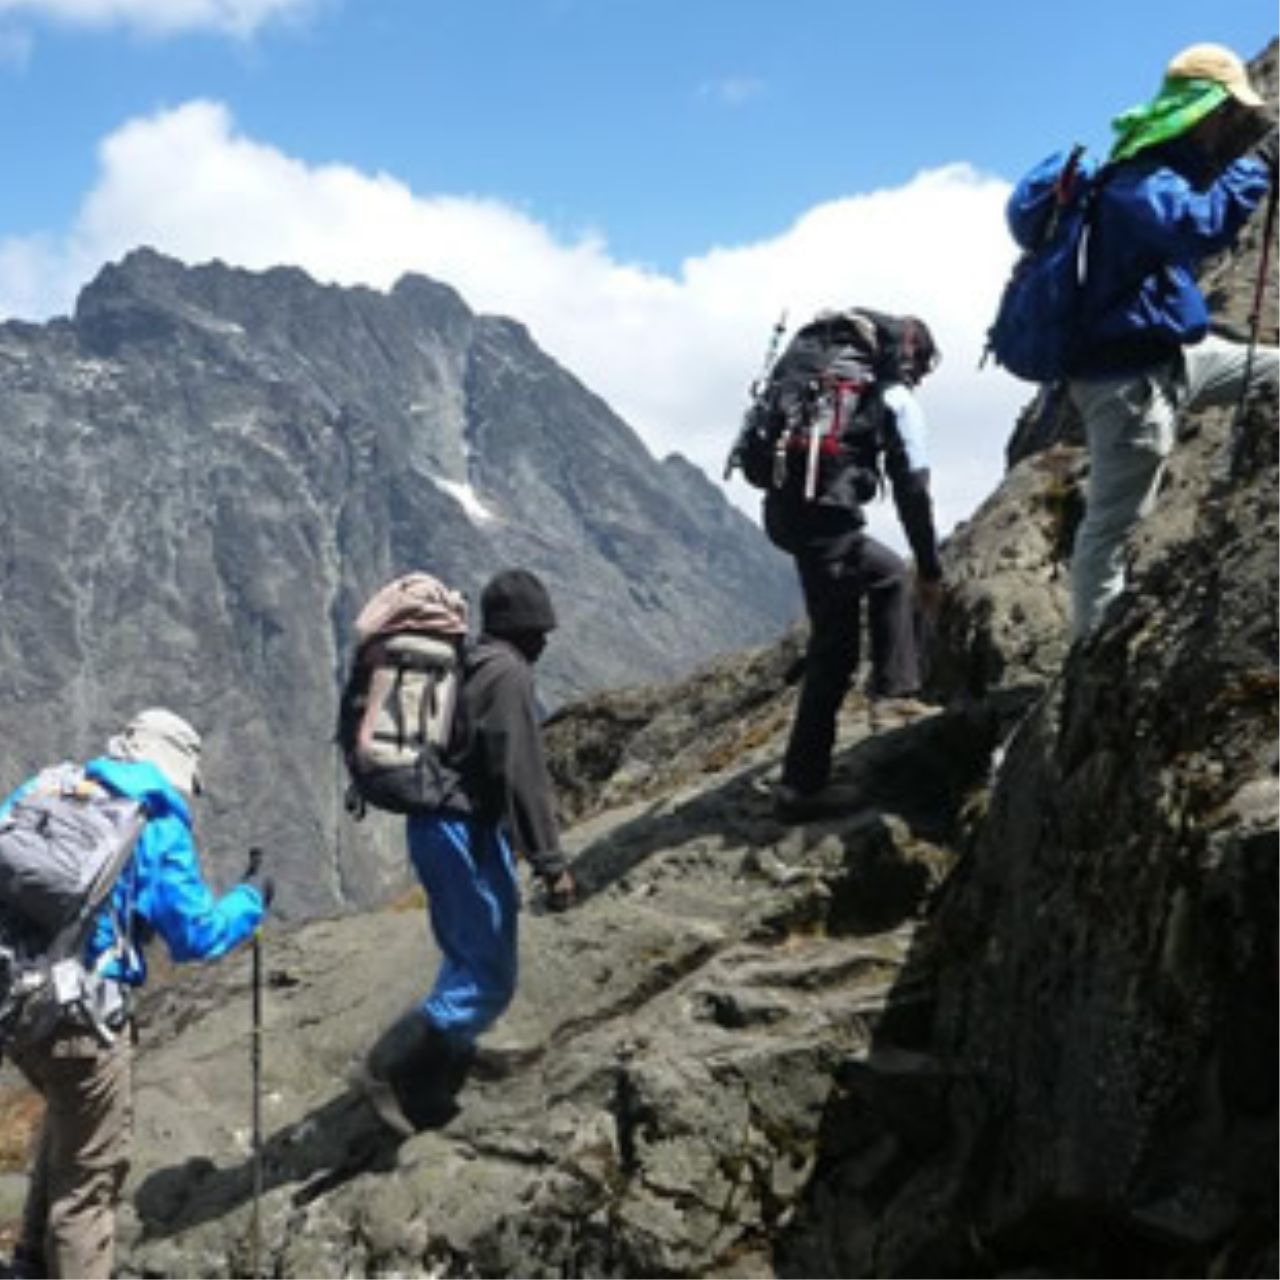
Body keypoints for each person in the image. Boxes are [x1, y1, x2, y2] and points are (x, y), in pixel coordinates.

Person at [2, 708, 270, 1280]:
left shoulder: (47, 787)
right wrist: (252, 898)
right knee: (90, 1180)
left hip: (14, 1002)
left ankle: (27, 1260)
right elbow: (197, 936)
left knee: (66, 1116)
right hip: (84, 1019)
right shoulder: (156, 827)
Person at [1067, 42, 1279, 639]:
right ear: (1204, 107)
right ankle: (1091, 653)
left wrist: (1199, 326)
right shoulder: (1138, 180)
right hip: (1126, 385)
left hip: (1171, 359)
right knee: (1113, 525)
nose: (1233, 124)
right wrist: (1259, 165)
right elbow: (1197, 229)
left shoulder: (1156, 171)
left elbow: (1157, 269)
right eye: (1229, 112)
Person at [359, 567, 576, 1136]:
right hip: (463, 832)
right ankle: (390, 1068)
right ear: (524, 628)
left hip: (435, 827)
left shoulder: (474, 660)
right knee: (489, 975)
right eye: (541, 629)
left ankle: (435, 1079)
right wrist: (551, 862)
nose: (547, 641)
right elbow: (521, 774)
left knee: (464, 953)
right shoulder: (509, 676)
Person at [765, 315, 944, 823]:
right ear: (911, 358)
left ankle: (888, 693)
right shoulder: (894, 399)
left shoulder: (821, 373)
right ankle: (804, 786)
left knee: (870, 590)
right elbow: (913, 492)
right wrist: (930, 568)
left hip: (787, 510)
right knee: (843, 640)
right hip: (825, 520)